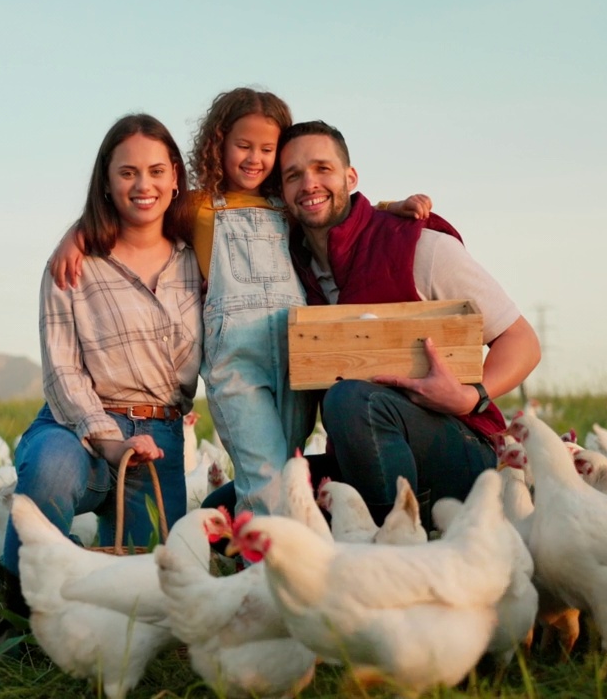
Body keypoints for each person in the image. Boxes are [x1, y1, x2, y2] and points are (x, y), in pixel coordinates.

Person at [51, 88, 431, 518]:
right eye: (243, 146)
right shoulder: (194, 207)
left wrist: (391, 206)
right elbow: (134, 211)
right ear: (219, 144)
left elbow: (337, 206)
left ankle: (291, 562)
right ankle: (260, 571)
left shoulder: (286, 206)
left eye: (268, 149)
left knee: (290, 470)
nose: (254, 158)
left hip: (294, 356)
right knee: (263, 475)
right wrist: (77, 235)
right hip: (237, 359)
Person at [0, 113, 199, 647]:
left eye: (156, 170)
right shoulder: (72, 265)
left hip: (160, 439)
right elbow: (62, 371)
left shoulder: (198, 256)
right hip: (80, 425)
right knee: (51, 470)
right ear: (107, 181)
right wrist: (108, 441)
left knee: (142, 603)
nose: (143, 185)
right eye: (127, 172)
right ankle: (20, 612)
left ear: (176, 176)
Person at [278, 120, 541, 529]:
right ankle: (368, 529)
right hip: (364, 455)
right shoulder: (290, 272)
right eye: (293, 175)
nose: (309, 183)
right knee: (243, 504)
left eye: (322, 169)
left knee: (351, 400)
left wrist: (472, 396)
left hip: (461, 449)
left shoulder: (419, 247)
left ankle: (397, 548)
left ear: (351, 177)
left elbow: (521, 340)